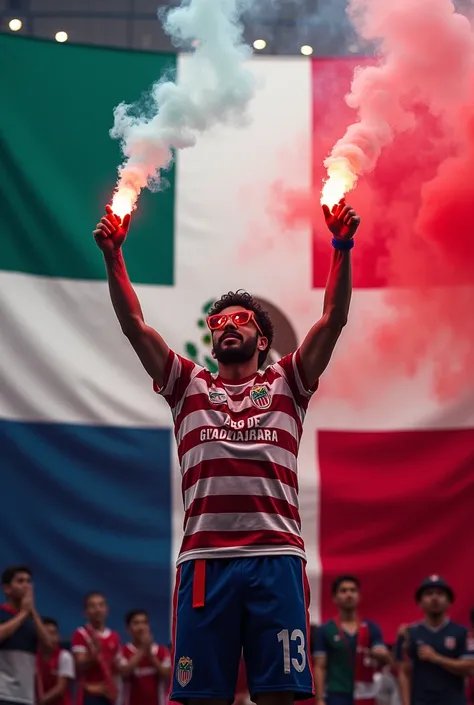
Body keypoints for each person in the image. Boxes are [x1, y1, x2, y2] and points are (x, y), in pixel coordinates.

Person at [93, 197, 360, 705]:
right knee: (199, 699)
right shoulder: (187, 384)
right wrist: (113, 256)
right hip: (205, 563)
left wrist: (341, 247)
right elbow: (134, 326)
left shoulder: (287, 381)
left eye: (239, 320)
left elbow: (334, 318)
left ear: (262, 339)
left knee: (281, 697)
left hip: (276, 559)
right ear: (211, 343)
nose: (227, 326)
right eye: (217, 324)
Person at [397, 576, 474, 705]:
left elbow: (469, 666)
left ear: (449, 602)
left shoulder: (462, 633)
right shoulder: (410, 633)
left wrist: (437, 658)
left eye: (440, 594)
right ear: (420, 603)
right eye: (429, 594)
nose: (434, 598)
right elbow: (404, 672)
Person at [314, 575, 390, 705]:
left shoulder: (371, 628)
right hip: (335, 695)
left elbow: (385, 657)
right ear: (335, 598)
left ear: (359, 596)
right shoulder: (325, 630)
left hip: (365, 696)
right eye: (343, 591)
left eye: (353, 590)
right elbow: (319, 666)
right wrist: (319, 699)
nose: (349, 594)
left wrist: (382, 653)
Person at [0, 565, 53, 705]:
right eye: (20, 581)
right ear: (7, 589)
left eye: (28, 581)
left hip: (26, 696)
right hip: (4, 693)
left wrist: (31, 611)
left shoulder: (32, 621)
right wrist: (23, 613)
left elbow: (49, 646)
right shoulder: (2, 613)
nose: (26, 586)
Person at [71, 592, 120, 705]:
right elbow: (80, 664)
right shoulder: (81, 634)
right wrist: (94, 655)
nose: (97, 609)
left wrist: (111, 687)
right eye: (92, 606)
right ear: (85, 612)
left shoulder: (114, 636)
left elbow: (117, 669)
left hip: (109, 696)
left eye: (101, 605)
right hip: (89, 696)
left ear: (107, 610)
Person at [119, 610, 170, 705]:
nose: (141, 627)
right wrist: (143, 649)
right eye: (136, 623)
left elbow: (167, 674)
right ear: (128, 628)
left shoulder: (162, 651)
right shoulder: (123, 651)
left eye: (144, 623)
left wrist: (151, 656)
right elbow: (124, 672)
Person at [36, 618, 75, 705]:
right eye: (46, 634)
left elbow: (61, 688)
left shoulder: (65, 656)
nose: (50, 637)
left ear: (58, 636)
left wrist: (41, 701)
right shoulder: (34, 658)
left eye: (53, 633)